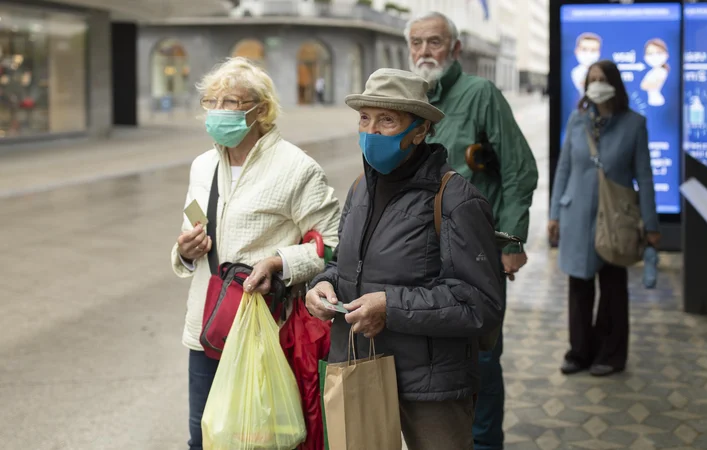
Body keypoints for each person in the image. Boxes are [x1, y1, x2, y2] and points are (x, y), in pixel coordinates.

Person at [305, 68, 505, 450]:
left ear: (420, 130)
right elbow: (346, 267)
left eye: (387, 120)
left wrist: (390, 306)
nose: (371, 130)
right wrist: (322, 285)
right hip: (360, 366)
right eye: (365, 118)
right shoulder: (359, 190)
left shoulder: (456, 200)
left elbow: (480, 303)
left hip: (431, 389)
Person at [170, 57, 340, 450]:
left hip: (265, 335)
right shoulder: (202, 166)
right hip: (206, 331)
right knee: (204, 437)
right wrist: (183, 250)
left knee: (258, 441)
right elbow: (187, 235)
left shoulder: (297, 168)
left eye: (230, 101)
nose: (217, 111)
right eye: (211, 101)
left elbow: (331, 244)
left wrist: (280, 262)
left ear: (260, 109)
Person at [404, 11, 538, 450]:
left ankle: (484, 445)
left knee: (481, 356)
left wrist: (513, 239)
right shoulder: (408, 100)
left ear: (455, 48)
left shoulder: (480, 94)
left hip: (476, 254)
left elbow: (519, 168)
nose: (425, 52)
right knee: (434, 362)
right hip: (423, 256)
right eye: (417, 43)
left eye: (435, 42)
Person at [548, 60, 660, 377]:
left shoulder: (634, 124)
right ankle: (579, 352)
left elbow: (645, 177)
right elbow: (565, 168)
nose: (596, 84)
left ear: (615, 84)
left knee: (612, 288)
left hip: (616, 219)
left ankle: (611, 354)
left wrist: (651, 225)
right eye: (591, 79)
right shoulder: (577, 120)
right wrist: (554, 213)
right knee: (579, 287)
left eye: (602, 78)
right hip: (577, 215)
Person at [640, 38, 670, 107]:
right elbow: (643, 85)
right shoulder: (653, 71)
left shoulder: (661, 71)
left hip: (657, 100)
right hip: (652, 100)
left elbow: (651, 85)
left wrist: (647, 84)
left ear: (666, 54)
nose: (654, 56)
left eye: (659, 53)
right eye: (650, 53)